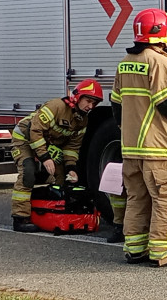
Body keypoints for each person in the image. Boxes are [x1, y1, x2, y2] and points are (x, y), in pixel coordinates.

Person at [112, 8, 167, 266]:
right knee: (165, 201)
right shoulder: (160, 62)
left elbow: (117, 105)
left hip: (131, 149)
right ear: (159, 33)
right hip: (158, 148)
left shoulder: (125, 63)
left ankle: (135, 249)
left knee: (137, 198)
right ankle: (162, 253)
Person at [10, 78, 103, 233]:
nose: (90, 106)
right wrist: (45, 157)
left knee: (62, 175)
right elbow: (35, 130)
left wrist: (71, 168)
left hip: (45, 143)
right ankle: (20, 218)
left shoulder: (83, 120)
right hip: (24, 139)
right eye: (88, 101)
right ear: (77, 97)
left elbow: (72, 147)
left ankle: (55, 212)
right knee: (28, 173)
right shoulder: (56, 106)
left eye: (94, 103)